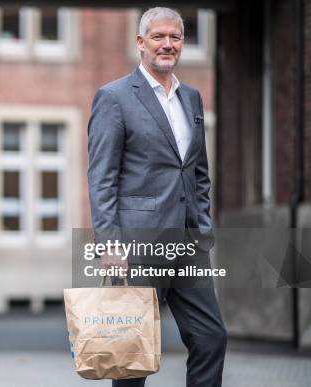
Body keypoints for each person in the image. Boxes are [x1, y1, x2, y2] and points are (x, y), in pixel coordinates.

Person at [87, 7, 227, 387]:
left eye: (176, 38)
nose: (168, 44)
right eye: (158, 37)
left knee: (211, 337)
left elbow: (198, 172)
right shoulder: (114, 98)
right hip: (138, 245)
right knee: (133, 355)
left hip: (186, 246)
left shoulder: (192, 99)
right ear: (140, 43)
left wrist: (202, 227)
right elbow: (101, 178)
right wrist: (109, 246)